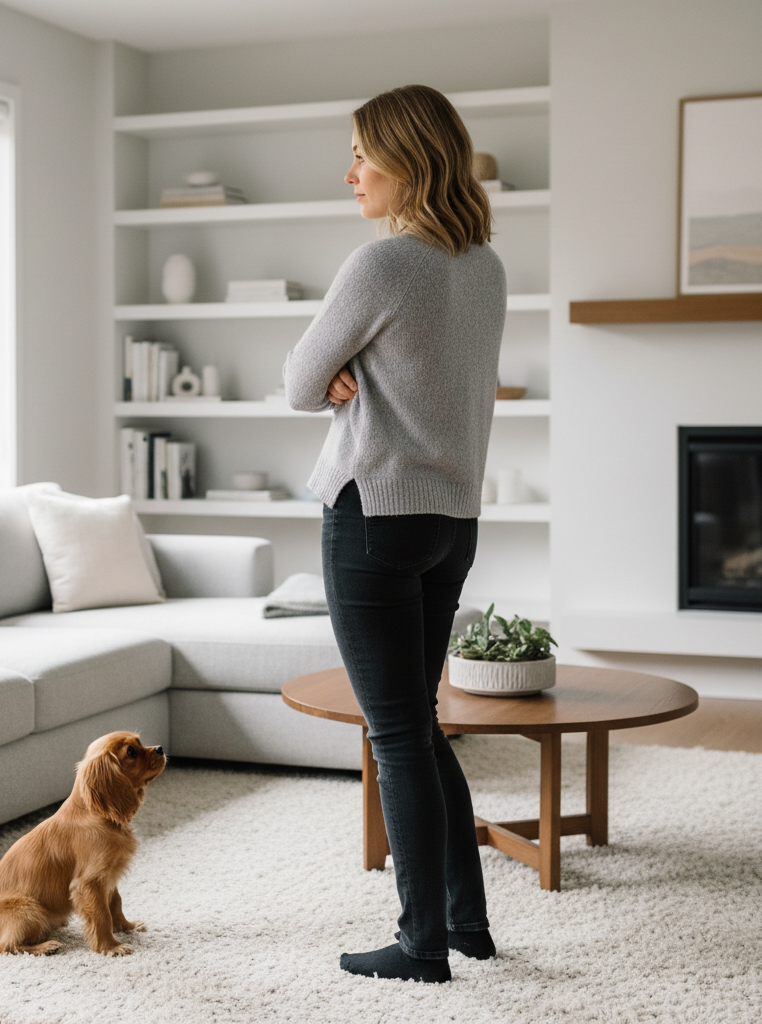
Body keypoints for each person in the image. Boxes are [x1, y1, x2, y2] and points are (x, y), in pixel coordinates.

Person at [283, 84, 506, 984]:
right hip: (453, 522)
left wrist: (339, 376)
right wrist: (350, 374)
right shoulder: (484, 266)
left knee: (397, 735)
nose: (350, 175)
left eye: (362, 158)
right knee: (424, 727)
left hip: (373, 516)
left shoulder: (382, 265)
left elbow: (300, 382)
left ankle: (420, 947)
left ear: (408, 161)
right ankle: (467, 925)